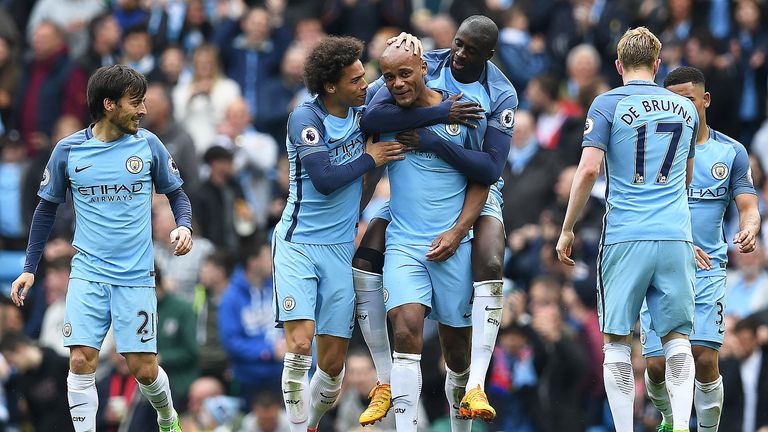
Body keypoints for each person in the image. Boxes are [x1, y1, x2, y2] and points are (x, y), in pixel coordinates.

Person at [353, 15, 517, 426]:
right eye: (389, 77)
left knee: (456, 352)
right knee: (405, 330)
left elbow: (488, 171)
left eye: (404, 74)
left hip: (458, 225)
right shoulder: (404, 87)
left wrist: (434, 139)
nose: (396, 83)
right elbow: (369, 120)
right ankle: (388, 387)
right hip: (407, 236)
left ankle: (473, 387)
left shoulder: (483, 101)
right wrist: (434, 116)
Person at [10, 64, 193, 432]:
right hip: (89, 272)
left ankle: (167, 417)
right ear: (109, 104)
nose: (143, 110)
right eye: (135, 103)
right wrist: (30, 266)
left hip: (136, 275)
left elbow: (177, 193)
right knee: (80, 360)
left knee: (142, 368)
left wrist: (183, 226)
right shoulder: (69, 150)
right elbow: (45, 209)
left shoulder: (148, 145)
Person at [556, 27, 699, 432]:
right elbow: (686, 175)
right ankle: (682, 424)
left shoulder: (606, 104)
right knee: (676, 339)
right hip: (675, 233)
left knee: (617, 342)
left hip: (625, 234)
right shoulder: (685, 109)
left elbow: (587, 169)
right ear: (657, 65)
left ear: (618, 65)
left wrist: (567, 229)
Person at [272, 35, 404, 432]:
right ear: (331, 86)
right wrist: (370, 158)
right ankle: (295, 426)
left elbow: (402, 76)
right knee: (299, 344)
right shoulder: (305, 117)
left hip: (340, 248)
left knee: (331, 369)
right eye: (357, 80)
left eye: (365, 77)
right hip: (299, 244)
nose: (367, 85)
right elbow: (325, 179)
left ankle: (309, 424)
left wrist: (418, 45)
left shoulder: (361, 105)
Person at [639, 66, 760, 432]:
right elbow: (641, 211)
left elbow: (748, 205)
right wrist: (679, 244)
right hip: (660, 265)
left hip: (708, 270)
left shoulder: (731, 152)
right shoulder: (650, 151)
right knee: (657, 366)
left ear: (704, 100)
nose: (681, 109)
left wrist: (751, 228)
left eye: (688, 100)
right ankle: (667, 417)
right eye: (672, 101)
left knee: (704, 358)